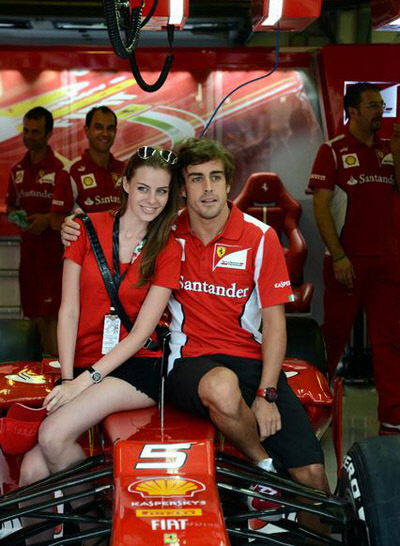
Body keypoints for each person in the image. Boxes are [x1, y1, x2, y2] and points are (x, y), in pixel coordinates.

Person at [62, 138, 330, 529]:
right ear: (183, 188)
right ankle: (266, 475)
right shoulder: (164, 231)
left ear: (228, 184)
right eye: (196, 178)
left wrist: (267, 393)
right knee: (221, 386)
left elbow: (275, 323)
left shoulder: (260, 237)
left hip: (249, 360)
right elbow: (113, 228)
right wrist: (72, 228)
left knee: (313, 479)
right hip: (184, 362)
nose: (207, 188)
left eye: (216, 178)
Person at [19, 146, 181, 543]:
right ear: (125, 185)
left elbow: (141, 333)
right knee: (31, 471)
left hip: (137, 365)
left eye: (161, 191)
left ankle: (95, 532)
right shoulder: (84, 228)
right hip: (84, 364)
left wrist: (83, 382)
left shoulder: (168, 246)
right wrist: (68, 378)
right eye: (143, 188)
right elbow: (69, 312)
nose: (152, 200)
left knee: (53, 436)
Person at [308, 82, 400, 435]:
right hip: (347, 262)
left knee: (389, 343)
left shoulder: (389, 149)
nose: (380, 111)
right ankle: (312, 411)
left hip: (388, 263)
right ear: (353, 111)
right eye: (373, 105)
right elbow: (321, 207)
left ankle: (392, 420)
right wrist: (338, 256)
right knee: (332, 339)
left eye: (381, 105)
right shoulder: (332, 150)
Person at [6, 106, 67, 355]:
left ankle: (56, 370)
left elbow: (65, 214)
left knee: (53, 317)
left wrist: (47, 219)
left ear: (49, 134)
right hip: (28, 255)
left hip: (54, 257)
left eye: (36, 131)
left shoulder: (60, 169)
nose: (29, 136)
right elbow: (11, 206)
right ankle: (35, 370)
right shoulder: (17, 170)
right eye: (26, 131)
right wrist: (17, 217)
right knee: (33, 316)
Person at [50, 106, 124, 229]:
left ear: (115, 132)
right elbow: (56, 221)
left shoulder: (125, 170)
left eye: (110, 128)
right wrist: (91, 228)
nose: (105, 134)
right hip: (88, 242)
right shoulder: (70, 172)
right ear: (87, 130)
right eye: (98, 127)